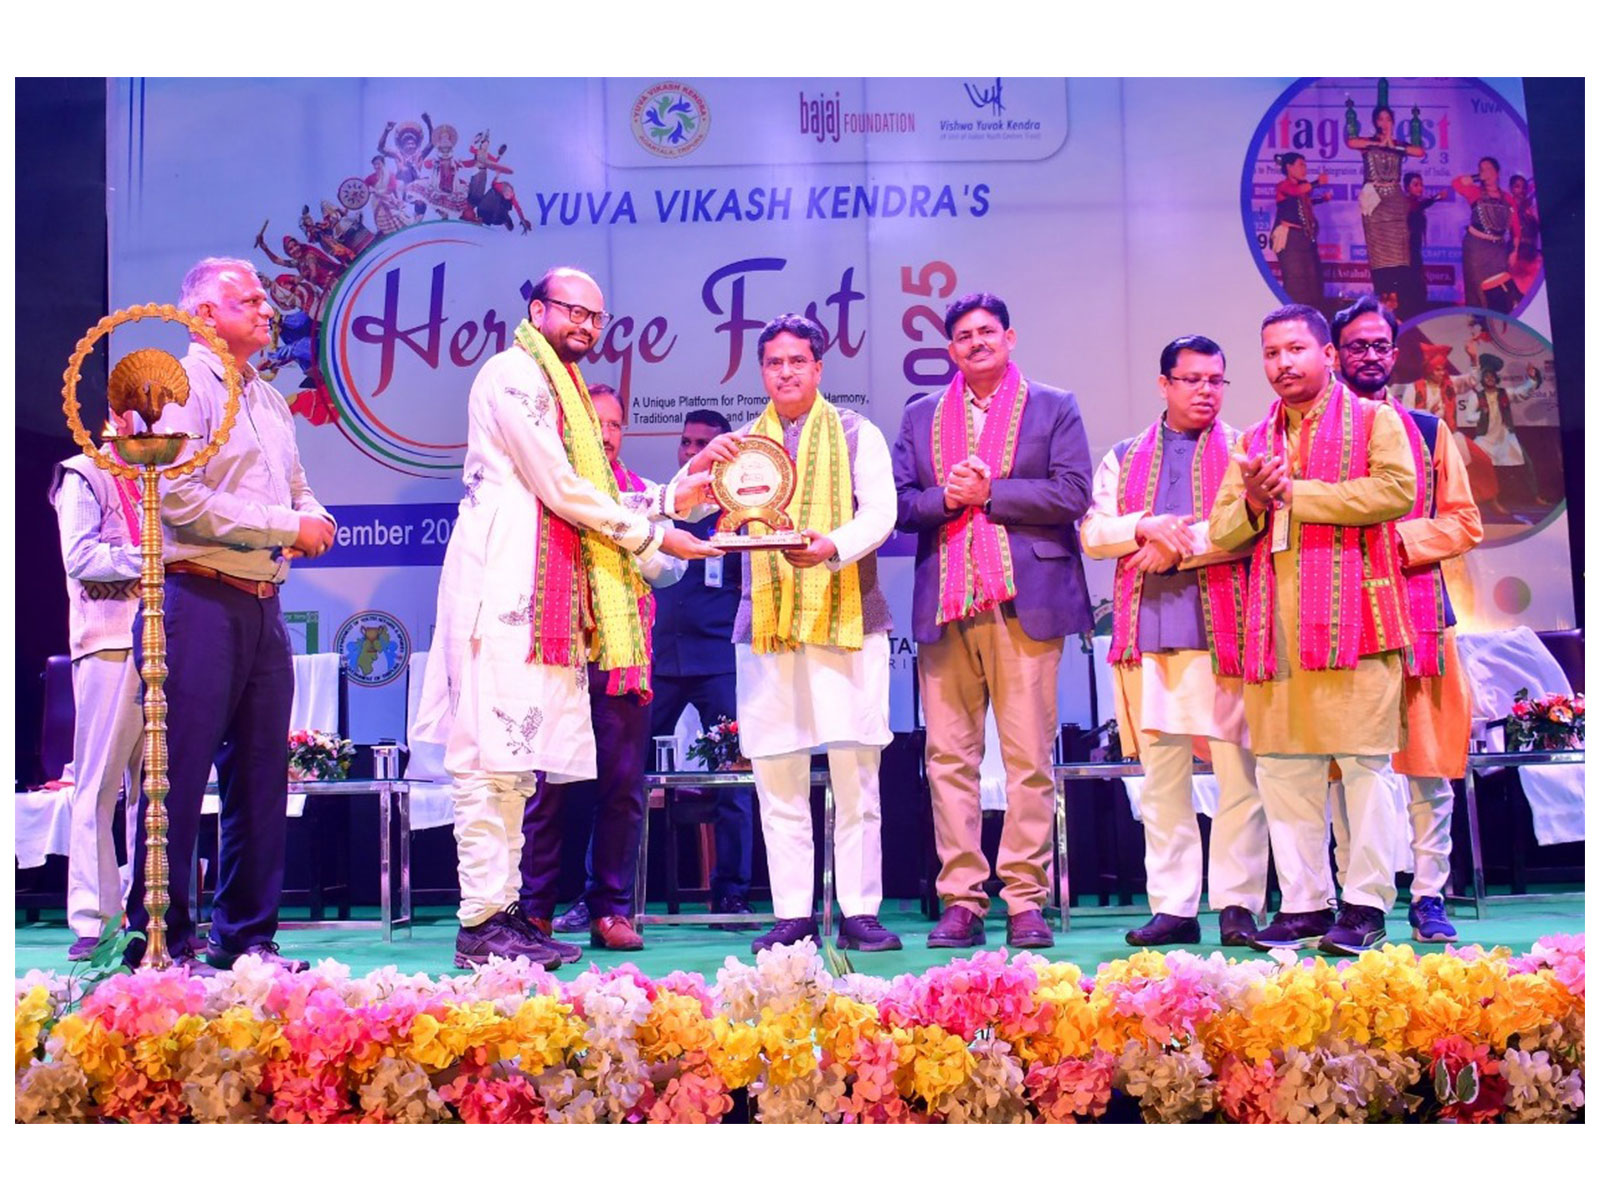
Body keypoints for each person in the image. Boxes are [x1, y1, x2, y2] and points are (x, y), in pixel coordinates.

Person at [411, 267, 718, 970]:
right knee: (489, 764)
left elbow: (597, 492)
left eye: (595, 316)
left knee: (519, 772)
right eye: (570, 310)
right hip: (501, 589)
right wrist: (652, 534)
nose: (583, 324)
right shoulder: (513, 375)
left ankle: (507, 913)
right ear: (537, 309)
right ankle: (477, 921)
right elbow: (560, 485)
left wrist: (680, 496)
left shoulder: (568, 392)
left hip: (546, 603)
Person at [124, 256, 338, 972]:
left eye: (266, 300)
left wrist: (314, 517)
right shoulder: (180, 386)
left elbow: (302, 488)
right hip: (195, 597)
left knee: (259, 777)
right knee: (176, 776)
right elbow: (176, 498)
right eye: (248, 300)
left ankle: (247, 939)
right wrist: (286, 526)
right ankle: (160, 937)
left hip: (260, 603)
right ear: (205, 315)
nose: (267, 310)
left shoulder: (269, 399)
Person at [687, 313, 900, 954]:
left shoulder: (859, 434)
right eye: (774, 362)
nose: (786, 372)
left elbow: (882, 512)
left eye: (797, 361)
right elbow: (687, 507)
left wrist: (833, 545)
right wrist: (702, 465)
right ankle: (791, 913)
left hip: (848, 620)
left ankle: (860, 911)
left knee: (855, 771)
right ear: (762, 371)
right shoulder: (743, 446)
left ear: (818, 368)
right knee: (777, 772)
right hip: (768, 626)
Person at [1209, 303, 1415, 956]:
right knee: (1284, 768)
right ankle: (1303, 904)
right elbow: (1219, 531)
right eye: (1271, 353)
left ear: (1328, 355)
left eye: (1296, 349)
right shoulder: (1250, 443)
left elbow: (1396, 491)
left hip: (1358, 616)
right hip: (1274, 628)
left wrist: (1296, 493)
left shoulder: (1376, 420)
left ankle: (1367, 904)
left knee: (1363, 766)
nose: (1282, 363)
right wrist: (1251, 500)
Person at [891, 291, 1092, 951]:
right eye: (963, 336)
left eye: (987, 332)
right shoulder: (922, 415)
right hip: (947, 602)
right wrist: (945, 498)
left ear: (1010, 337)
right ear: (949, 350)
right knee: (949, 760)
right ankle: (962, 901)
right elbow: (899, 505)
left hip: (1023, 603)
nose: (976, 343)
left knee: (1028, 758)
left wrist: (990, 495)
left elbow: (1072, 494)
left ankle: (1026, 900)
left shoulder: (1053, 406)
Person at [1079, 335, 1268, 948]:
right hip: (1150, 634)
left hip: (1227, 633)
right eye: (1191, 380)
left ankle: (1238, 903)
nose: (1205, 391)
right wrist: (1143, 527)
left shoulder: (1246, 451)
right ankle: (1174, 905)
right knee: (1162, 778)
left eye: (1216, 380)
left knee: (1239, 774)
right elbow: (1095, 532)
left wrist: (1169, 548)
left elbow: (1247, 528)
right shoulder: (1125, 455)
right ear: (1164, 384)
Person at [1332, 295, 1482, 942]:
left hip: (1419, 610)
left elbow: (1464, 520)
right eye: (1355, 345)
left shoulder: (1427, 430)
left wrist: (1397, 543)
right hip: (1339, 619)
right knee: (1348, 770)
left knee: (1426, 764)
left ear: (1393, 356)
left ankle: (1428, 894)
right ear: (1334, 354)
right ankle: (1359, 898)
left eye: (1378, 346)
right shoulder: (1316, 434)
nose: (1368, 356)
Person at [525, 384, 685, 953]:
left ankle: (610, 910)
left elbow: (668, 572)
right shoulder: (546, 490)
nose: (609, 434)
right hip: (558, 656)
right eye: (598, 423)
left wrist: (643, 547)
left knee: (622, 789)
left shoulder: (642, 494)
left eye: (617, 424)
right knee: (546, 788)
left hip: (621, 658)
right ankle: (536, 910)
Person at [50, 406, 145, 961]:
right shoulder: (84, 473)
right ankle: (94, 917)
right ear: (116, 414)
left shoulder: (164, 478)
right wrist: (156, 559)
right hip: (108, 644)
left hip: (164, 641)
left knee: (158, 792)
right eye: (143, 409)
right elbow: (82, 556)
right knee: (99, 787)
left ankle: (158, 912)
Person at [1345, 106, 1426, 308]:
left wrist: (1393, 145)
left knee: (1399, 251)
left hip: (1395, 200)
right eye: (1380, 119)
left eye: (1388, 119)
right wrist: (1380, 143)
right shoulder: (1368, 144)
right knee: (1379, 251)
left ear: (1393, 121)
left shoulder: (1398, 144)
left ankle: (1398, 298)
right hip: (1375, 201)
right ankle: (1383, 296)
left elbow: (1419, 151)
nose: (1384, 122)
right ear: (1375, 122)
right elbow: (1350, 142)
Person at [1452, 157, 1521, 311]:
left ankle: (1501, 325)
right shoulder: (1475, 192)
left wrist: (1514, 251)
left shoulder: (1508, 198)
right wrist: (1476, 177)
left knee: (1501, 289)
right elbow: (1456, 183)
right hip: (1476, 248)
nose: (1485, 173)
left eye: (1489, 169)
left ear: (1497, 173)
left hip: (1498, 249)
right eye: (1482, 169)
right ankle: (1478, 327)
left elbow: (1515, 228)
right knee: (1477, 289)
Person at [1269, 153, 1330, 311]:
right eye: (1301, 164)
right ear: (1289, 167)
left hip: (1306, 238)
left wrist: (1322, 199)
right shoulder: (1283, 186)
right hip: (1290, 240)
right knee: (1296, 282)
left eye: (1305, 165)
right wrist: (1317, 182)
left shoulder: (1302, 189)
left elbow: (1303, 201)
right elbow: (1295, 192)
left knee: (1312, 281)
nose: (1304, 168)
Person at [1401, 172, 1450, 318]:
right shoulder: (1406, 203)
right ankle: (1409, 314)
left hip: (1414, 250)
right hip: (1406, 251)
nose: (1420, 188)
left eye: (1421, 184)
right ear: (1406, 187)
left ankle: (1415, 313)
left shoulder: (1415, 203)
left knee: (1417, 283)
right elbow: (1419, 206)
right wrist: (1437, 197)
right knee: (1412, 283)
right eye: (1415, 185)